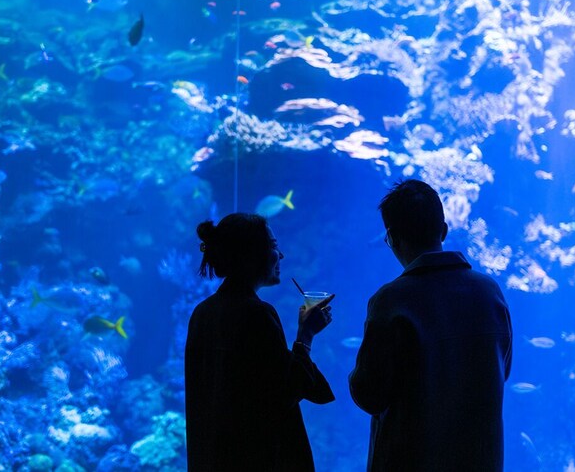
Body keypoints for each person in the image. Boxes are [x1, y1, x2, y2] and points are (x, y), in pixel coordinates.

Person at [349, 180, 513, 471]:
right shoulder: (490, 292)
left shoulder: (390, 301)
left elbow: (369, 394)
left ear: (392, 238)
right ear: (444, 230)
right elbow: (503, 370)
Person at [185, 213, 335, 472]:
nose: (281, 256)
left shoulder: (202, 313)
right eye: (274, 246)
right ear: (251, 254)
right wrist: (305, 336)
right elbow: (283, 393)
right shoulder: (256, 313)